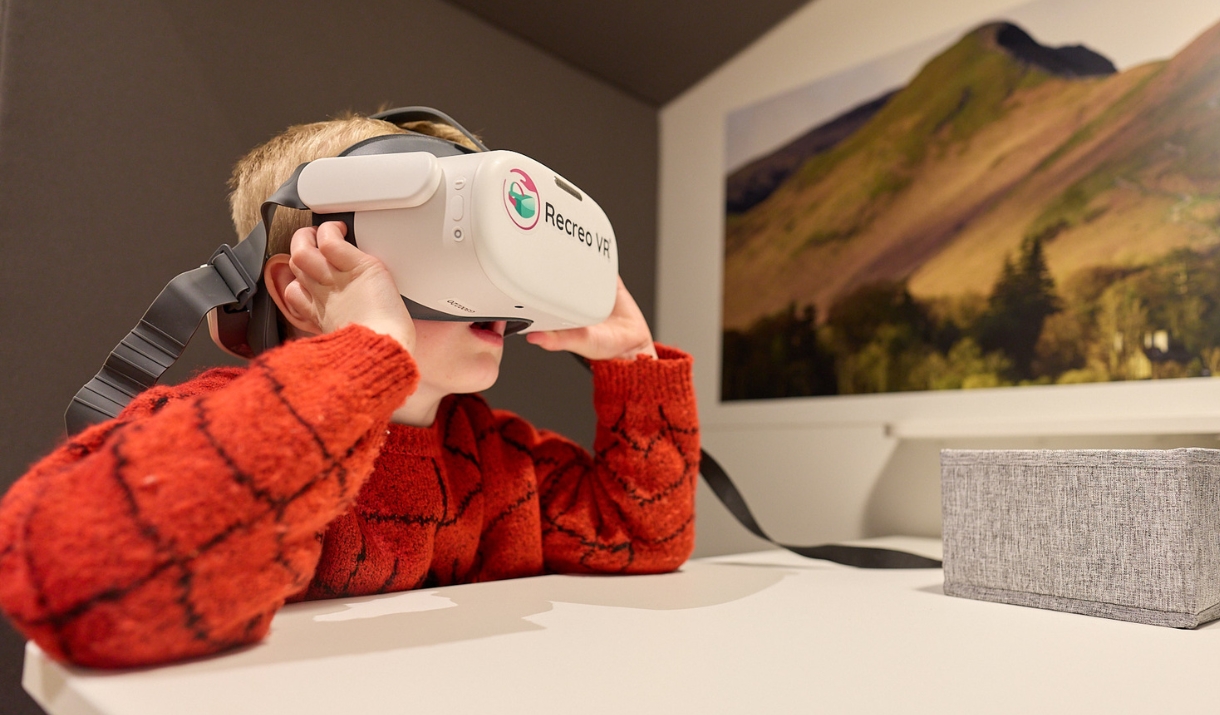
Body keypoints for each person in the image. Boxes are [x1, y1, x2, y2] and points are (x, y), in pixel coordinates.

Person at [0, 112, 698, 668]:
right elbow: (69, 578)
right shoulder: (205, 427)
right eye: (451, 237)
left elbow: (643, 533)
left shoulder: (500, 463)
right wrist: (365, 352)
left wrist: (632, 361)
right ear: (303, 288)